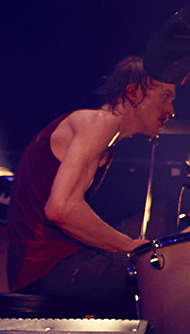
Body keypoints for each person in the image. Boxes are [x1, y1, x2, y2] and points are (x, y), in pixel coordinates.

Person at [5, 57, 176, 311]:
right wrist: (127, 245)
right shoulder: (98, 123)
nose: (171, 110)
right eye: (165, 96)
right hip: (47, 266)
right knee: (158, 279)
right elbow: (61, 209)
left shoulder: (102, 134)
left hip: (44, 264)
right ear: (132, 92)